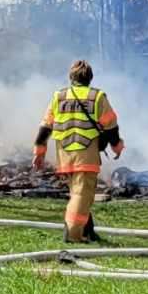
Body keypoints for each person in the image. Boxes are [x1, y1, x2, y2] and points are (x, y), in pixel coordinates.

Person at [33, 59, 124, 243]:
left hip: (64, 155)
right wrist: (117, 146)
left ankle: (88, 232)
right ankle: (73, 235)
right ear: (90, 78)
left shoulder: (59, 96)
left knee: (78, 194)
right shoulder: (97, 97)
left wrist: (39, 152)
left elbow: (46, 126)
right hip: (86, 154)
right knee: (82, 196)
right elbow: (111, 126)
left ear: (71, 77)